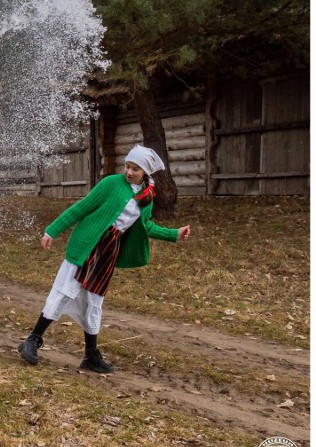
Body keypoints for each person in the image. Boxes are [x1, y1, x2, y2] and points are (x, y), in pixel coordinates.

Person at [18, 144, 191, 374]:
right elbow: (82, 207)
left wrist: (173, 234)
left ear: (146, 172)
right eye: (127, 166)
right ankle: (32, 340)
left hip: (108, 251)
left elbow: (146, 226)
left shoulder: (146, 197)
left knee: (94, 300)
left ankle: (90, 355)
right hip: (87, 244)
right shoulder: (111, 183)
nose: (129, 172)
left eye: (135, 169)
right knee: (65, 290)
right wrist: (52, 230)